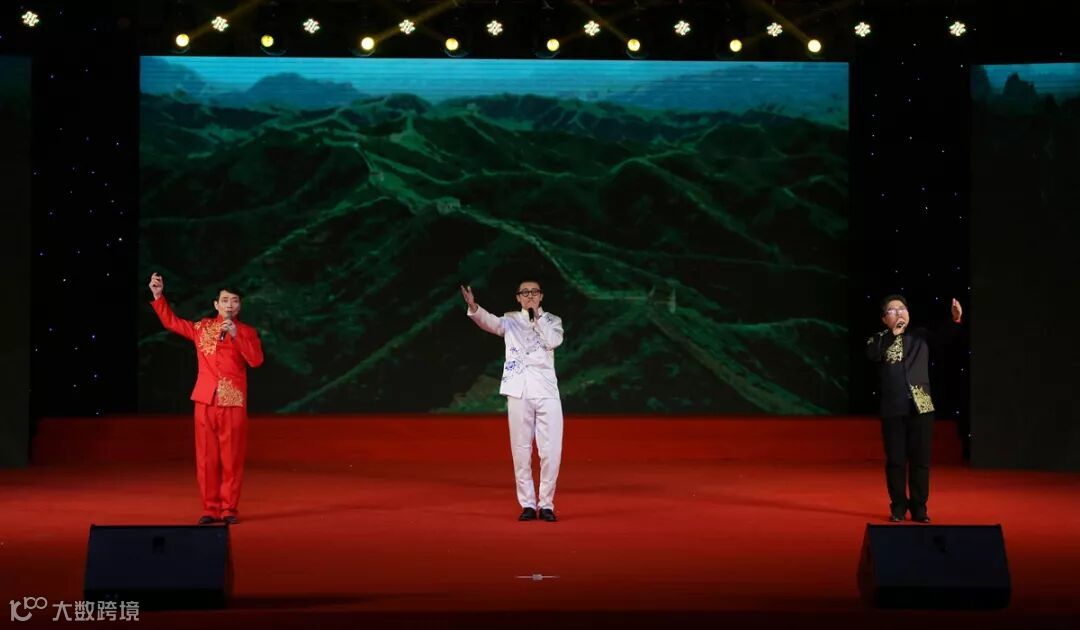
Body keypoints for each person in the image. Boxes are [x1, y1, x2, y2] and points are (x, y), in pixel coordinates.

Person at [147, 273, 264, 525]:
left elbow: (255, 361)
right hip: (205, 399)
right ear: (216, 304)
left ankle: (229, 509)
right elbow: (172, 323)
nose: (229, 305)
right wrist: (158, 296)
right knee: (206, 457)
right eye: (225, 300)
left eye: (234, 301)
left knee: (231, 458)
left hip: (232, 400)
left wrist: (236, 334)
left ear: (240, 306)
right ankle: (210, 509)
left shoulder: (247, 332)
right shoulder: (202, 328)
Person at [461, 280, 565, 522]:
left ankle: (546, 504)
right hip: (518, 389)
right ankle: (527, 503)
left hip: (546, 391)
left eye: (534, 292)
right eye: (524, 293)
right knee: (521, 450)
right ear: (518, 298)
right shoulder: (510, 320)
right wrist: (474, 307)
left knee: (551, 451)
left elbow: (553, 341)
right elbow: (490, 322)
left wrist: (537, 318)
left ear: (541, 296)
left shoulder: (553, 320)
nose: (529, 296)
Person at [866, 294, 963, 523]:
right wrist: (893, 334)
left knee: (920, 461)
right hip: (893, 408)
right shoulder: (878, 339)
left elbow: (943, 339)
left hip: (921, 405)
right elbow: (873, 355)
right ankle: (898, 507)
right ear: (884, 319)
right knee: (896, 461)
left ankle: (919, 507)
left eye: (902, 309)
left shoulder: (919, 335)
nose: (899, 313)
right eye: (892, 310)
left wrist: (955, 320)